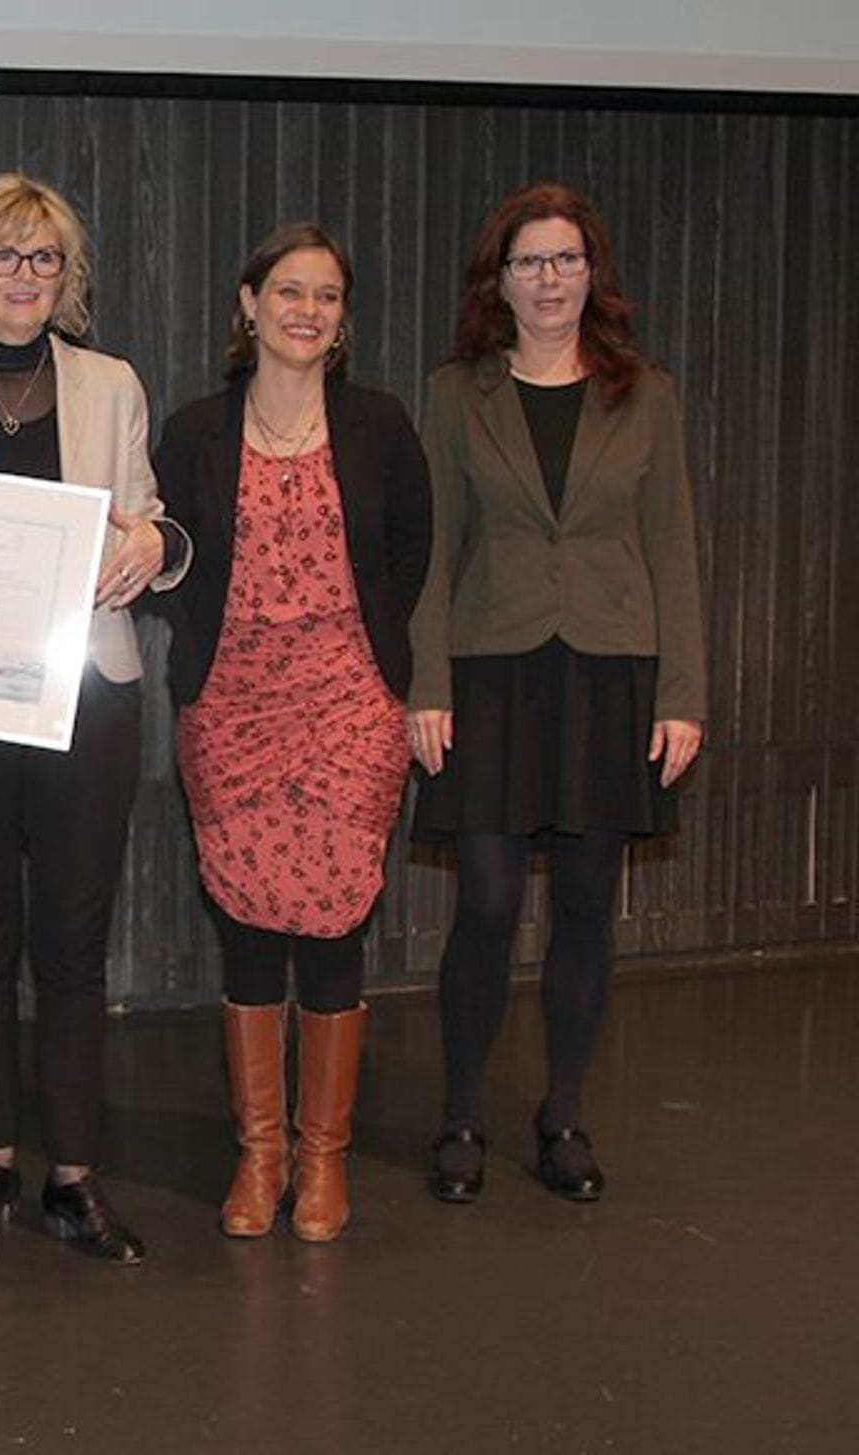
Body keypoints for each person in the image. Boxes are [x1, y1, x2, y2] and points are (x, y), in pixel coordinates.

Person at [0, 172, 188, 1264]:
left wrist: (154, 543)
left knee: (70, 947)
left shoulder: (111, 386)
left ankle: (73, 1177)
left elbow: (146, 523)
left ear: (67, 279)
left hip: (86, 699)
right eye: (1, 257)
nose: (20, 277)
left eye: (41, 259)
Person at [409, 183, 704, 1205]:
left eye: (564, 260)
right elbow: (434, 552)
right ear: (498, 280)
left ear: (592, 275)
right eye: (528, 262)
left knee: (583, 905)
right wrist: (425, 684)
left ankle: (563, 1114)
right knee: (485, 903)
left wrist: (682, 694)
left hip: (607, 670)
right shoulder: (455, 395)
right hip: (489, 673)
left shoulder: (644, 395)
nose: (547, 280)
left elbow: (671, 549)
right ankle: (457, 1116)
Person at [156, 223, 431, 1242]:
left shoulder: (378, 425)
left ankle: (320, 1161)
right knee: (244, 933)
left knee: (328, 930)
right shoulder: (190, 433)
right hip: (227, 710)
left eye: (324, 296)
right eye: (287, 291)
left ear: (340, 317)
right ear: (247, 303)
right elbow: (169, 557)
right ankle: (258, 1151)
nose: (305, 310)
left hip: (348, 708)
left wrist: (358, 671)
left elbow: (407, 554)